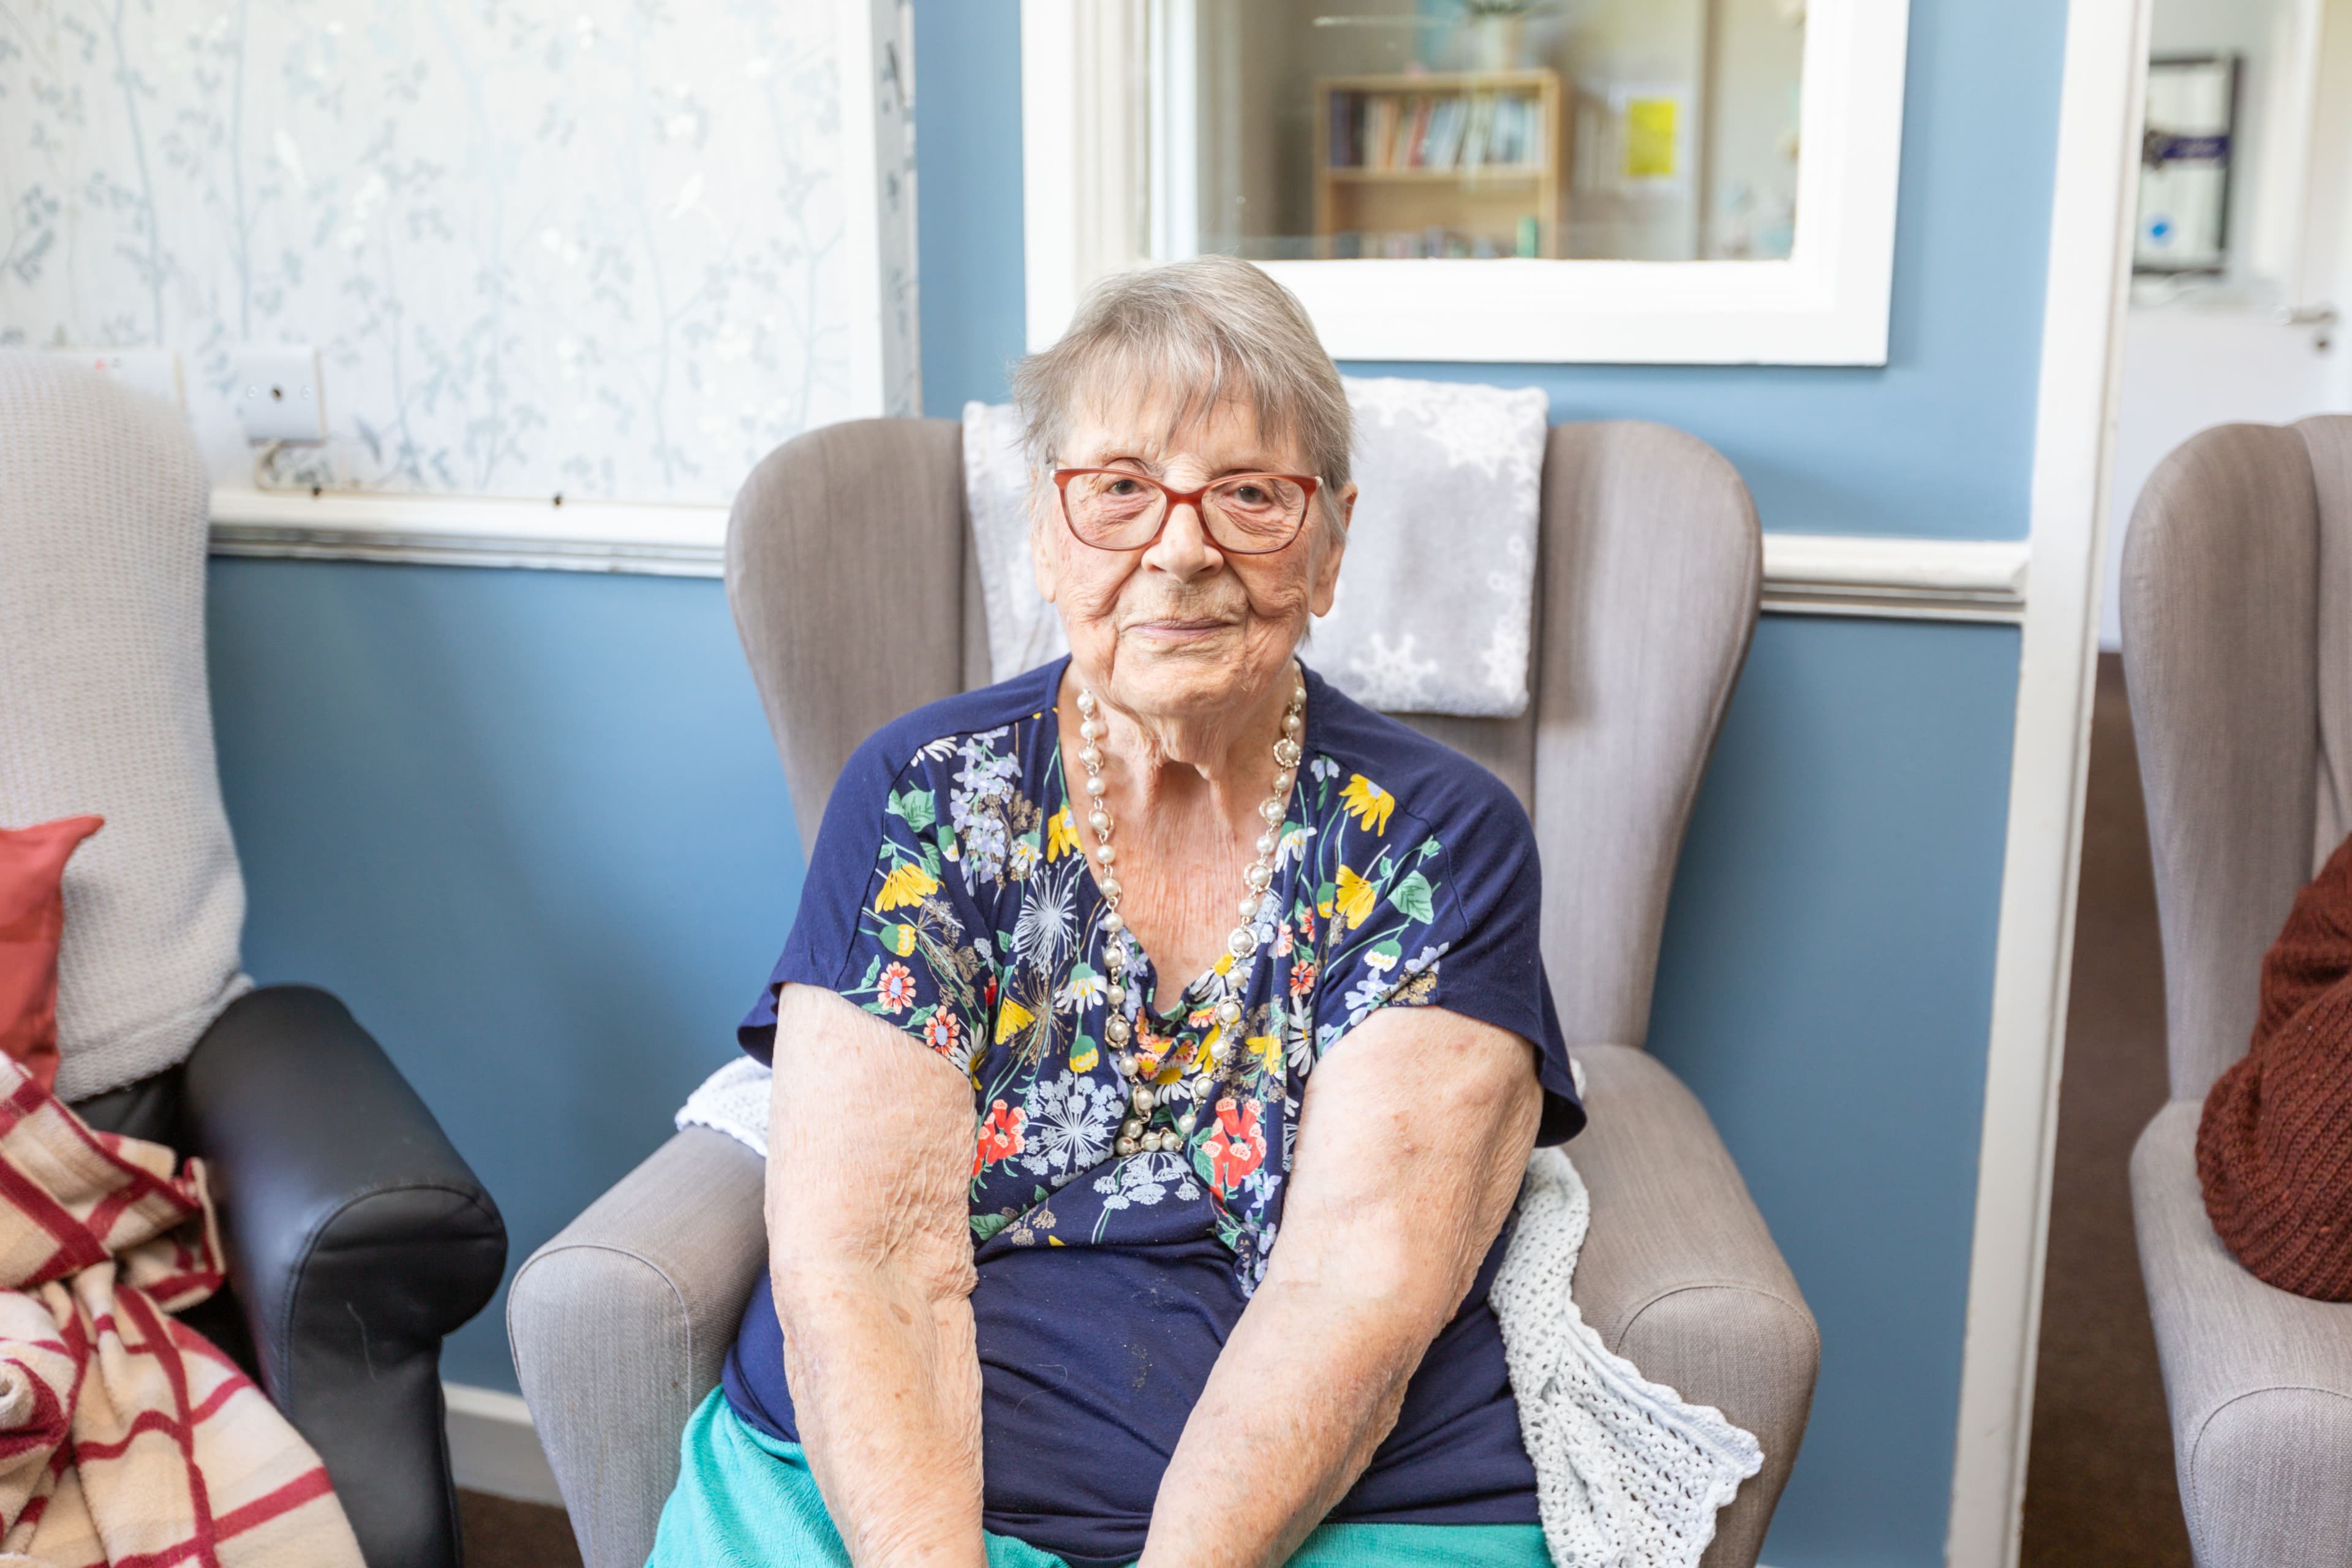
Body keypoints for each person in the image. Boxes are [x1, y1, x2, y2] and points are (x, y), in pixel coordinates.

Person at [648, 255, 1585, 1568]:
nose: (1184, 544)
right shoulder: (920, 797)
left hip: (1344, 1506)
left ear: (1328, 543)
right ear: (1047, 528)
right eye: (1123, 490)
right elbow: (867, 1262)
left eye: (1251, 494)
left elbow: (1353, 1290)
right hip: (889, 1493)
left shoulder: (1439, 840)